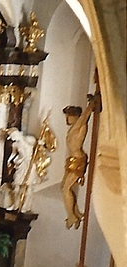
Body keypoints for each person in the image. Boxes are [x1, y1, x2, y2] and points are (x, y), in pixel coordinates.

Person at [61, 95, 98, 229]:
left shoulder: (80, 125)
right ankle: (76, 213)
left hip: (77, 160)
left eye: (69, 116)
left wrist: (91, 104)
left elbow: (84, 116)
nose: (67, 119)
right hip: (72, 159)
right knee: (64, 187)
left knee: (66, 189)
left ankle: (71, 216)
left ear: (75, 116)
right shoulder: (76, 126)